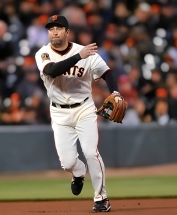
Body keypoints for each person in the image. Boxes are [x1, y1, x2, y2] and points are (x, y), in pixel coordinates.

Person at [35, 15, 122, 212]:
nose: (54, 31)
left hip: (84, 109)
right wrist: (79, 57)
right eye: (51, 29)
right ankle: (79, 172)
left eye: (58, 28)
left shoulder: (84, 51)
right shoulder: (44, 53)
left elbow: (107, 73)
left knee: (91, 152)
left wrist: (115, 92)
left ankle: (102, 198)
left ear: (67, 32)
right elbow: (52, 71)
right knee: (67, 163)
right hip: (59, 113)